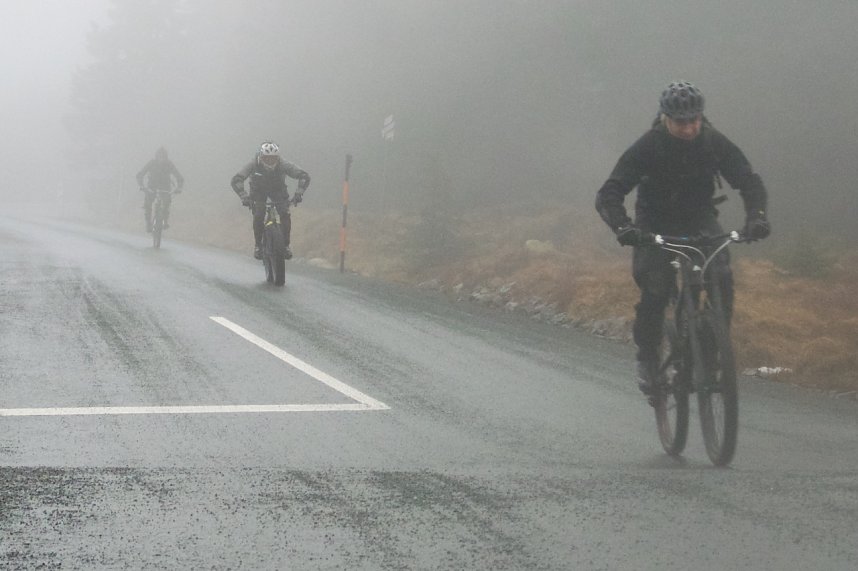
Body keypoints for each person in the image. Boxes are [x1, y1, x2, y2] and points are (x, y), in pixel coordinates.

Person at [595, 80, 771, 394]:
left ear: (701, 117)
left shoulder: (714, 142)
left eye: (694, 121)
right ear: (665, 118)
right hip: (654, 223)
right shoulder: (648, 146)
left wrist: (756, 217)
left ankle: (708, 355)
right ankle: (648, 360)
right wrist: (624, 227)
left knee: (722, 277)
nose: (689, 128)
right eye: (681, 122)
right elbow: (609, 193)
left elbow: (749, 181)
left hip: (699, 218)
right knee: (656, 289)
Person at [231, 141, 310, 260]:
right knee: (259, 214)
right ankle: (258, 246)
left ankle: (286, 246)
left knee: (285, 213)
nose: (270, 162)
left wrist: (299, 194)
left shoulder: (283, 164)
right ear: (261, 157)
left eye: (273, 159)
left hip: (277, 190)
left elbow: (303, 176)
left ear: (278, 158)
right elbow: (237, 179)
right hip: (258, 192)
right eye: (266, 159)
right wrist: (244, 196)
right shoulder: (253, 164)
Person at [136, 147, 184, 232]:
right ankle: (148, 223)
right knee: (148, 204)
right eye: (159, 156)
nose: (161, 158)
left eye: (163, 156)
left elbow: (178, 176)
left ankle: (165, 221)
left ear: (166, 157)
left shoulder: (169, 164)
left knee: (166, 203)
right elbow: (141, 174)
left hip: (165, 188)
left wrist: (179, 187)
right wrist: (141, 185)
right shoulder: (152, 163)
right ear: (156, 156)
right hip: (152, 187)